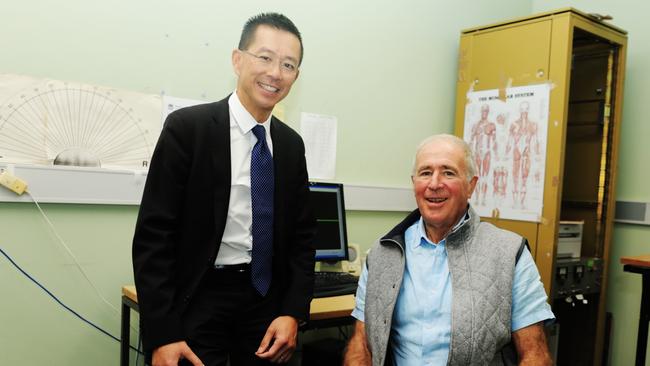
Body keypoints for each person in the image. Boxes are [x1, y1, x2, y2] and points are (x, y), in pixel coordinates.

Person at [132, 13, 316, 366]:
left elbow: (302, 239)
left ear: (296, 75)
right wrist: (163, 333)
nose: (275, 73)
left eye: (288, 64)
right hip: (198, 296)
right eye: (265, 57)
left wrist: (293, 312)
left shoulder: (291, 147)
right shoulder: (188, 130)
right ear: (237, 60)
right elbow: (153, 238)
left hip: (265, 300)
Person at [343, 134, 554, 366]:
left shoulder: (510, 254)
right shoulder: (383, 254)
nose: (434, 184)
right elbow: (360, 344)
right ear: (414, 182)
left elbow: (535, 355)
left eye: (448, 172)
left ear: (471, 185)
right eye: (425, 173)